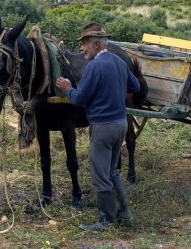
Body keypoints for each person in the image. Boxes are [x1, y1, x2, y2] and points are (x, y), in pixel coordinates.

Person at [56, 23, 140, 232]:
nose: (81, 49)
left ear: (95, 45)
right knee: (112, 172)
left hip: (103, 128)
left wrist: (68, 89)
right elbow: (136, 87)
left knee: (100, 176)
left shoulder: (94, 67)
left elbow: (79, 98)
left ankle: (105, 221)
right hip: (120, 124)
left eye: (84, 45)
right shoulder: (119, 62)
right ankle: (124, 213)